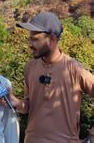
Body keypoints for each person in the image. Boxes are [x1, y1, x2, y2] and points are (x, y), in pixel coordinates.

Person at [7, 12, 94, 143]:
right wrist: (16, 103)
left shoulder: (74, 69)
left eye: (35, 39)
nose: (29, 44)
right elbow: (28, 105)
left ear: (52, 40)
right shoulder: (30, 67)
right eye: (29, 39)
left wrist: (92, 135)